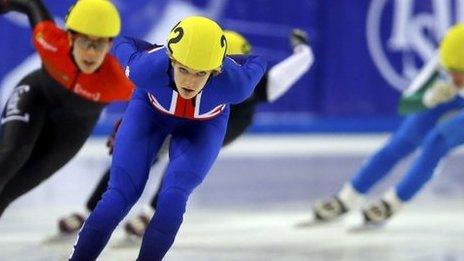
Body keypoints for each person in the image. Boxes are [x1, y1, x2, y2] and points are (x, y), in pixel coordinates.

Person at [58, 29, 314, 238]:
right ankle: (91, 210)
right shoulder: (181, 72)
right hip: (176, 118)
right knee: (137, 157)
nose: (197, 78)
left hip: (213, 127)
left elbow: (289, 70)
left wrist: (303, 51)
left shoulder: (249, 84)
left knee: (178, 171)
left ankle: (148, 214)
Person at [69, 16, 267, 260]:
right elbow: (124, 41)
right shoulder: (144, 69)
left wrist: (226, 59)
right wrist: (157, 50)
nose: (189, 82)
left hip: (203, 126)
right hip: (149, 114)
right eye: (183, 68)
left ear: (216, 71)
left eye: (200, 73)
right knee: (120, 195)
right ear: (171, 59)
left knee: (174, 196)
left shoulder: (237, 86)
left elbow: (257, 60)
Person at [312, 24, 464, 226]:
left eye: (459, 72)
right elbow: (405, 104)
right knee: (404, 140)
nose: (453, 77)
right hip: (449, 95)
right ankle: (348, 197)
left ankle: (394, 202)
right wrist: (428, 98)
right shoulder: (444, 58)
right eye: (449, 71)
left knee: (436, 142)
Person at [0, 0, 133, 217]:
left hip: (71, 130)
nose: (91, 52)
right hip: (35, 97)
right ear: (70, 38)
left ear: (109, 45)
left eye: (99, 44)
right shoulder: (49, 40)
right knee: (9, 158)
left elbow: (151, 99)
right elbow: (31, 5)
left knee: (9, 192)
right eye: (84, 42)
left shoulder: (117, 81)